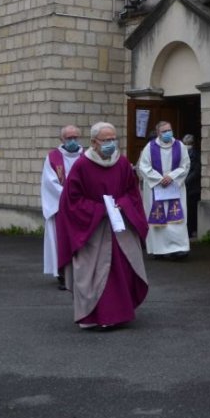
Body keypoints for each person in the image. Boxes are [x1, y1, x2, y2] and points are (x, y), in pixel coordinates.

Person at [55, 122, 150, 329]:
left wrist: (122, 204)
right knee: (95, 272)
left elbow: (131, 192)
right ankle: (94, 316)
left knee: (123, 268)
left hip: (119, 226)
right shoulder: (82, 165)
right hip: (93, 229)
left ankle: (120, 314)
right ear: (93, 142)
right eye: (106, 140)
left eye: (113, 139)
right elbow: (70, 200)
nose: (111, 144)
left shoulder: (122, 163)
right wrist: (98, 209)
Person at [136, 120, 191, 260]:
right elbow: (144, 166)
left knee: (177, 219)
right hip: (156, 189)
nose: (168, 133)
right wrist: (160, 179)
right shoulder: (150, 147)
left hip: (174, 188)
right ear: (158, 133)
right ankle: (159, 250)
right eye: (164, 131)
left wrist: (172, 177)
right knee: (159, 219)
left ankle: (179, 248)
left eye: (169, 130)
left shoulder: (180, 146)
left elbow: (185, 165)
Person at [40, 125, 84, 288]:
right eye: (68, 138)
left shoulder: (87, 156)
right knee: (61, 241)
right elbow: (50, 183)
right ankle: (63, 274)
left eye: (75, 137)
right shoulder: (52, 158)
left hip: (82, 207)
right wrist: (70, 198)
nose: (72, 141)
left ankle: (83, 273)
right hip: (61, 207)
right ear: (61, 139)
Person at [183, 133, 200, 237]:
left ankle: (190, 230)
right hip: (188, 187)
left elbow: (196, 171)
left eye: (188, 143)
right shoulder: (185, 154)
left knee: (191, 210)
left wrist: (185, 180)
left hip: (192, 188)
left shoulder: (194, 154)